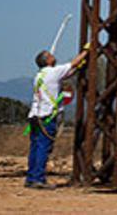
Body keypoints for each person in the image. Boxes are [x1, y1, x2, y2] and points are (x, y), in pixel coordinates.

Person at [25, 46, 87, 188]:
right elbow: (73, 63)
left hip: (35, 115)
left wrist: (76, 69)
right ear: (47, 60)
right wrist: (86, 51)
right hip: (46, 116)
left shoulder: (40, 75)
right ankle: (38, 179)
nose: (54, 56)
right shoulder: (53, 72)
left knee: (35, 147)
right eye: (50, 55)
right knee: (43, 148)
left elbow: (69, 72)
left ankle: (31, 177)